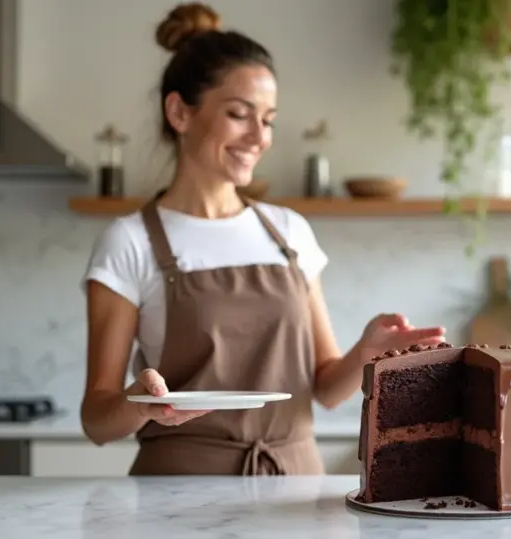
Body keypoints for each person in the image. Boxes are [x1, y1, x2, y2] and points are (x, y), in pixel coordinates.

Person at [79, 2, 446, 476]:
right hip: (175, 493)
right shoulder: (129, 242)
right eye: (239, 114)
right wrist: (139, 405)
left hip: (294, 488)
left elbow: (327, 388)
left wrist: (365, 353)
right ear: (179, 112)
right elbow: (96, 420)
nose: (259, 136)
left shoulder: (289, 232)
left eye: (268, 119)